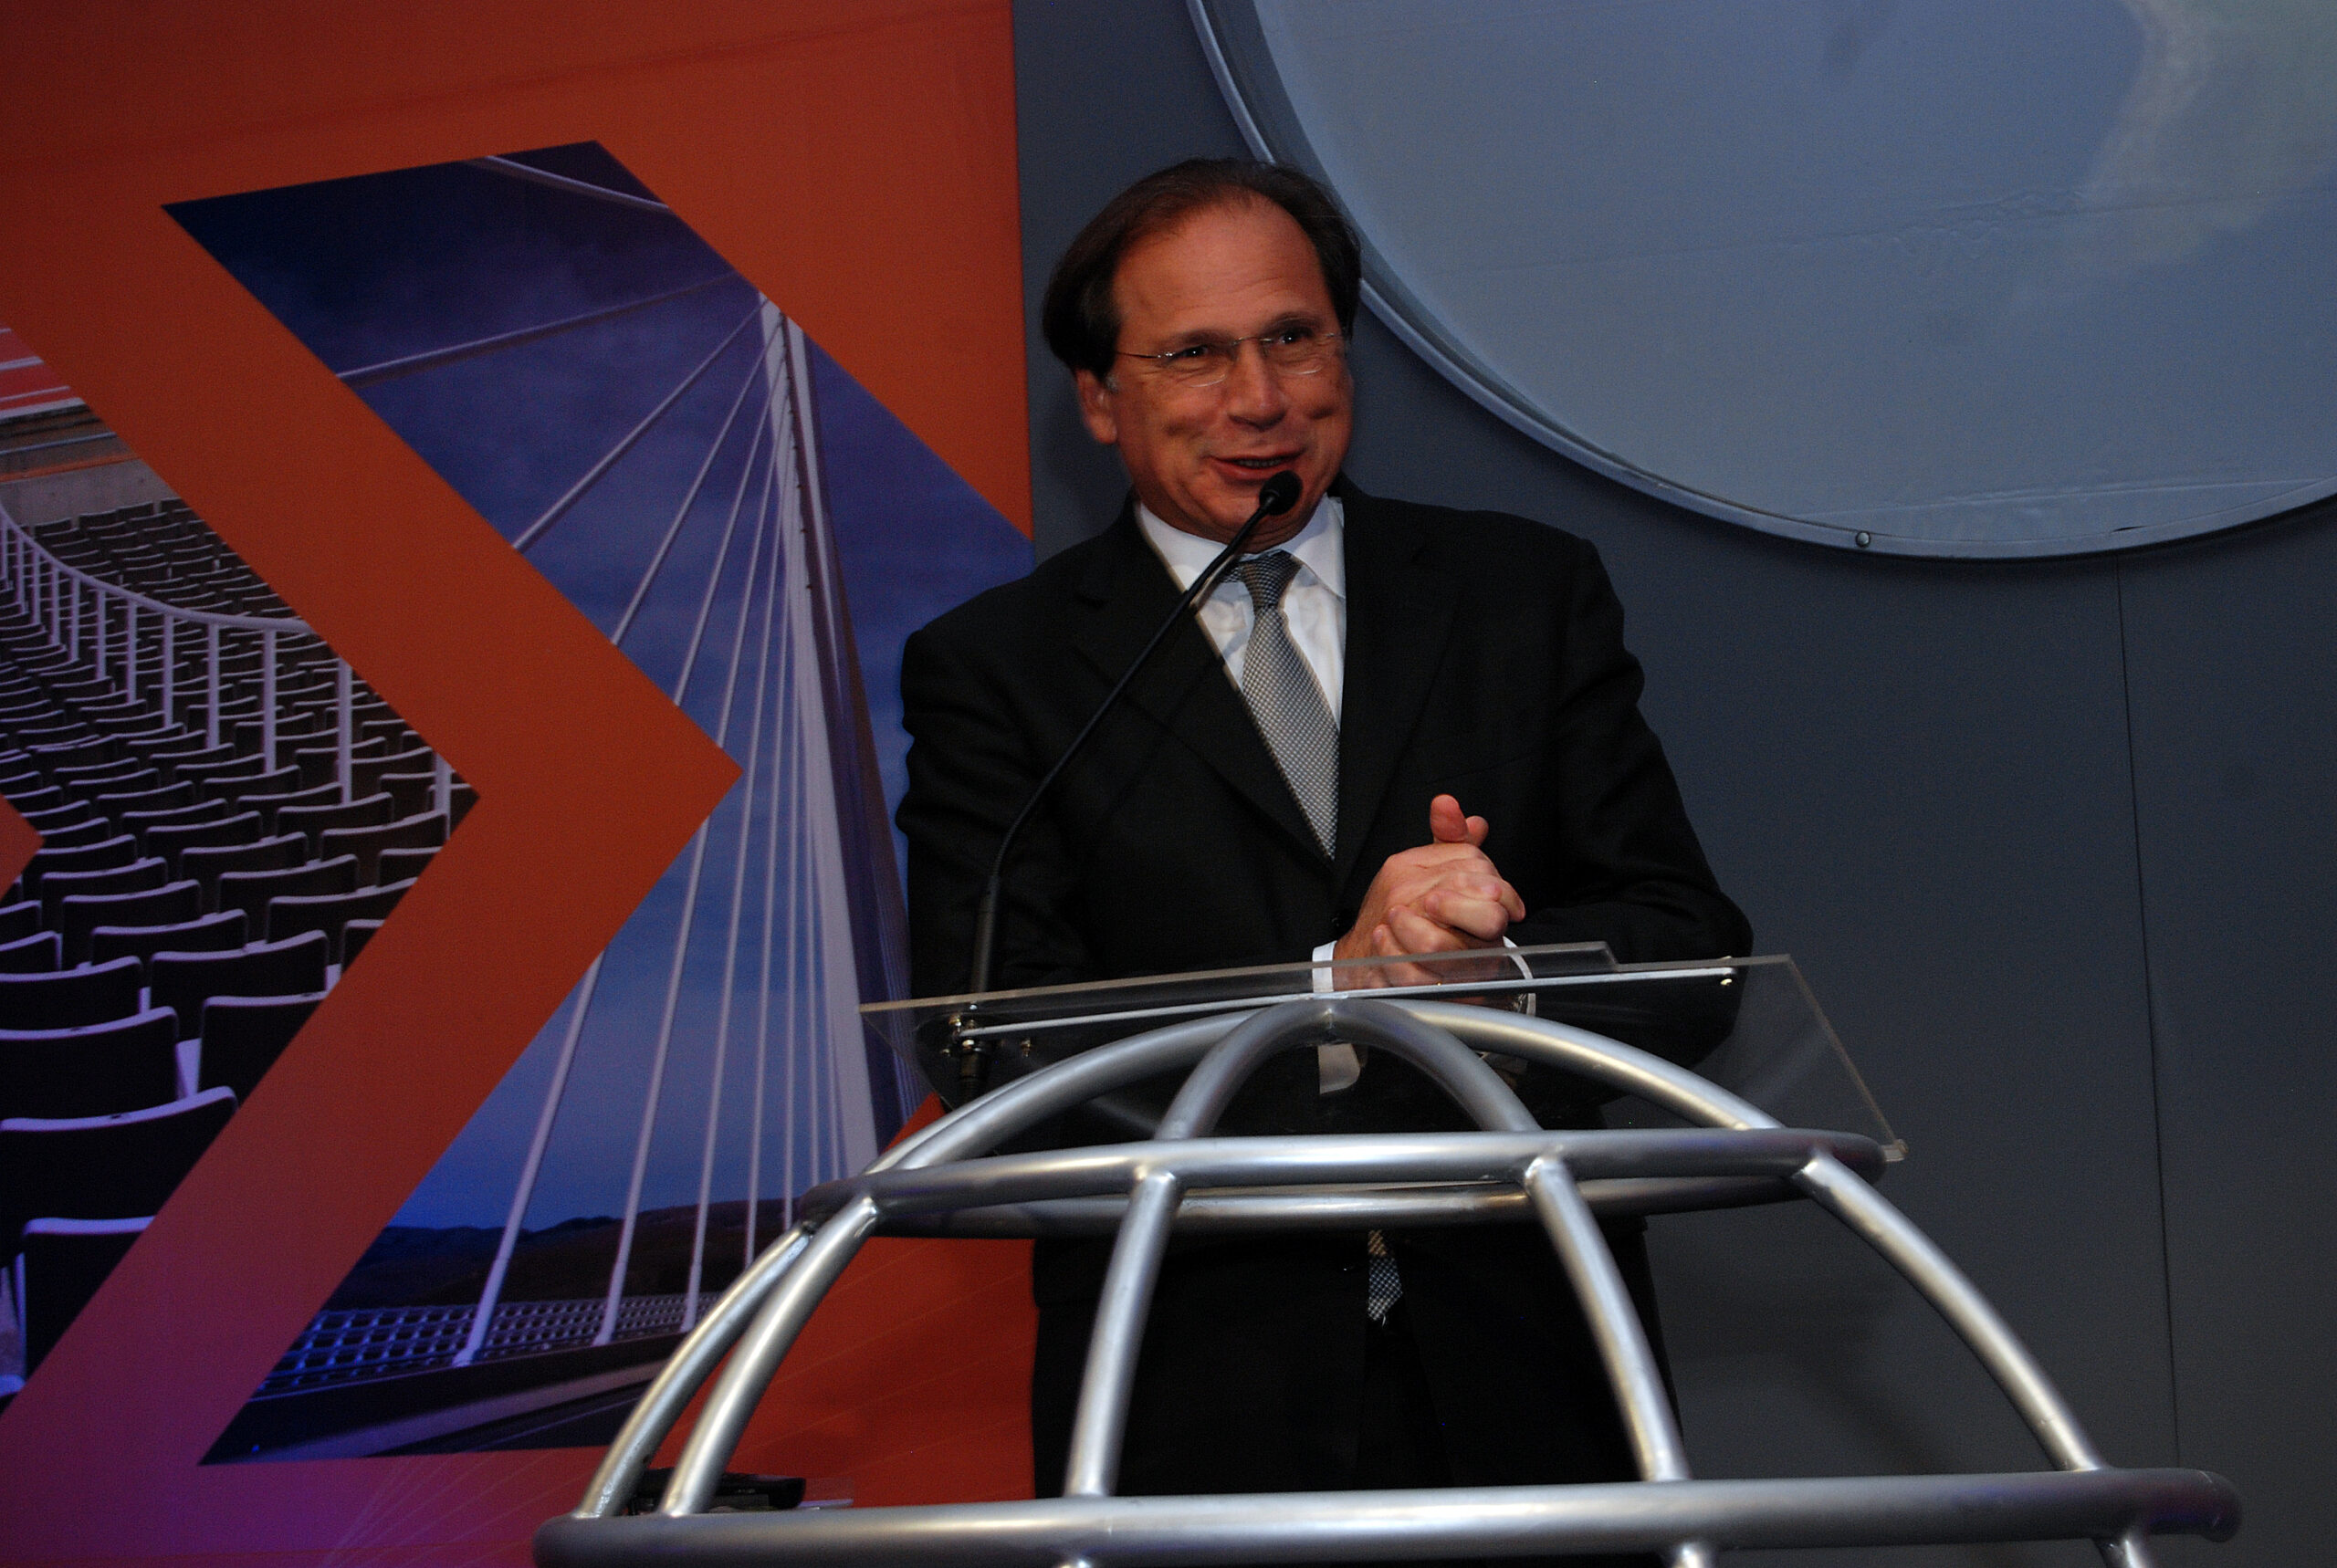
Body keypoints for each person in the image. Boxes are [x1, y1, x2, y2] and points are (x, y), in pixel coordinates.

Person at [896, 159, 1750, 1542]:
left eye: (1293, 337)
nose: (1261, 398)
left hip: (1533, 1379)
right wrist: (1329, 993)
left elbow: (1692, 949)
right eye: (1194, 354)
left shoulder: (1519, 595)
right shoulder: (1001, 672)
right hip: (1195, 1403)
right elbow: (991, 1040)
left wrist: (1496, 979)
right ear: (1100, 400)